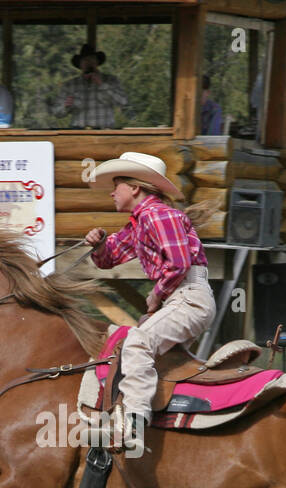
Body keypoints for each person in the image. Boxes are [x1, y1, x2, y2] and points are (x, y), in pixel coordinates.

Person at [84, 152, 215, 452]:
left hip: (187, 297)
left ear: (135, 188)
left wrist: (156, 294)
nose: (111, 192)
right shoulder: (139, 223)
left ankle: (133, 422)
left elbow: (179, 263)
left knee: (137, 342)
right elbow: (109, 259)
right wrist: (100, 243)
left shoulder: (157, 215)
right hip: (181, 299)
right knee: (140, 347)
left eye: (116, 184)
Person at [51, 43, 128, 129]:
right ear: (80, 64)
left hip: (104, 132)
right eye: (85, 60)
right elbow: (56, 112)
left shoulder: (111, 80)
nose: (89, 63)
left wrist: (102, 84)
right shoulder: (70, 85)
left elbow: (123, 102)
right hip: (78, 133)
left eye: (92, 59)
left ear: (97, 62)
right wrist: (66, 106)